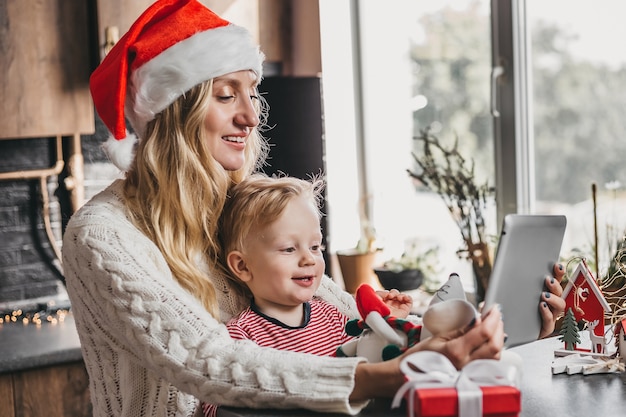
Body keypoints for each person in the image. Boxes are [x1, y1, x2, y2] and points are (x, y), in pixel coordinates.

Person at [61, 0, 565, 416]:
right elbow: (205, 359)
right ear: (175, 112)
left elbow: (339, 311)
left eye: (251, 92)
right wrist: (379, 376)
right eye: (224, 94)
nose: (250, 114)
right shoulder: (104, 235)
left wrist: (477, 331)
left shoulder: (240, 209)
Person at [201, 173, 415, 417]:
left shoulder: (336, 319)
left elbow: (377, 366)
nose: (308, 259)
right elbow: (216, 402)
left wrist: (387, 324)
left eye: (316, 247)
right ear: (242, 266)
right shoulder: (240, 337)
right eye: (289, 249)